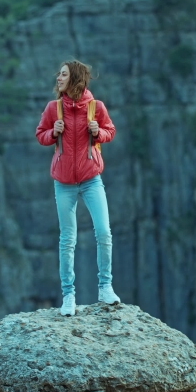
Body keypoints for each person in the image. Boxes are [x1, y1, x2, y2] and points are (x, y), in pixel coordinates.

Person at [35, 59, 120, 316]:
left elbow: (110, 131)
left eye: (63, 75)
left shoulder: (96, 107)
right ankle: (68, 296)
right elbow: (40, 134)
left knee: (104, 232)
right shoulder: (54, 108)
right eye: (59, 74)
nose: (58, 78)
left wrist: (99, 132)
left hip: (91, 178)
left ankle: (105, 287)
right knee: (67, 239)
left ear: (75, 79)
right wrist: (52, 132)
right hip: (63, 183)